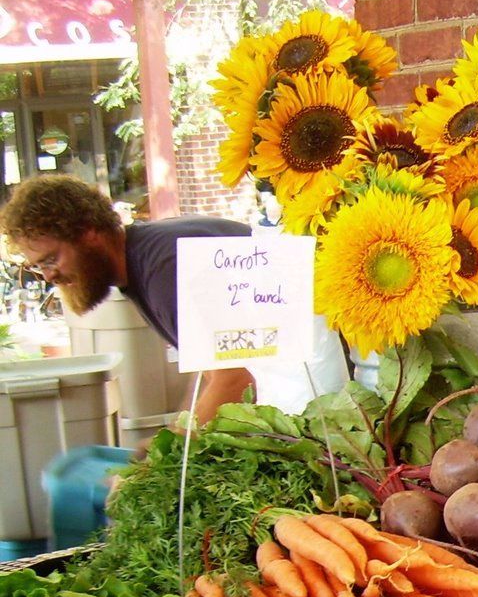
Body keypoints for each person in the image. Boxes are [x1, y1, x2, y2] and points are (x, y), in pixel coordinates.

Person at [0, 174, 344, 423]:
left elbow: (236, 380)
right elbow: (210, 369)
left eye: (50, 259)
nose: (48, 276)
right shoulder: (144, 257)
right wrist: (175, 430)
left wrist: (165, 459)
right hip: (309, 399)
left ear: (88, 233)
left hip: (329, 400)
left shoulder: (165, 268)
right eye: (37, 267)